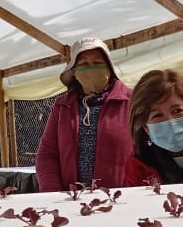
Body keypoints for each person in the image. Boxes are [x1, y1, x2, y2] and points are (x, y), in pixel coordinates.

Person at [36, 37, 133, 192]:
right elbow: (47, 154)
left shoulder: (131, 101)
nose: (91, 68)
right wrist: (51, 192)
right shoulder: (62, 106)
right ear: (74, 72)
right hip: (73, 200)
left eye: (98, 63)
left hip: (122, 198)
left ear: (109, 67)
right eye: (84, 64)